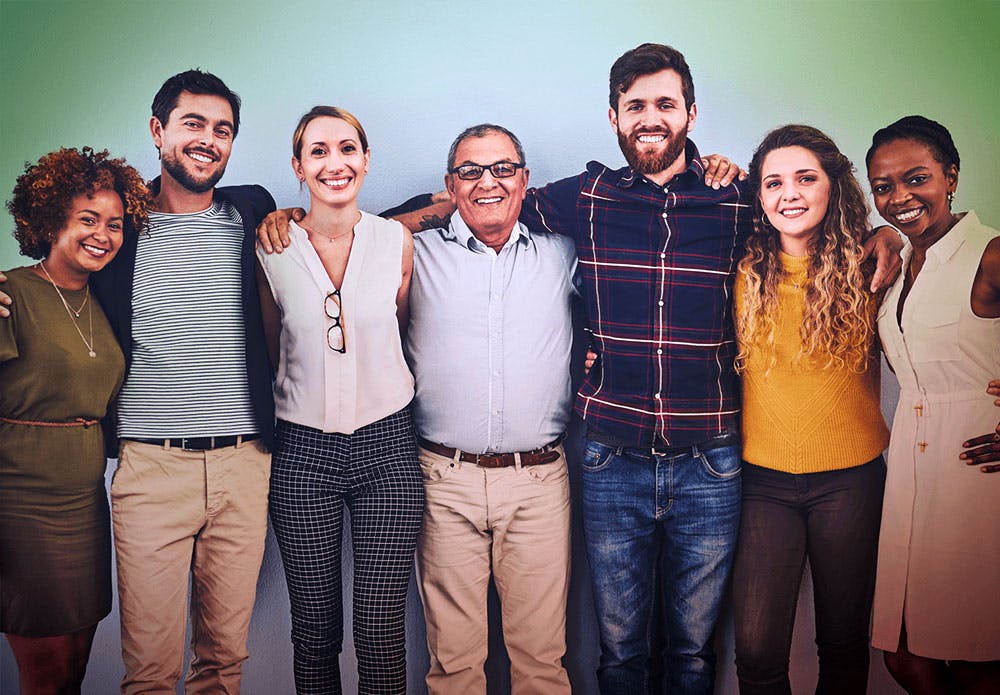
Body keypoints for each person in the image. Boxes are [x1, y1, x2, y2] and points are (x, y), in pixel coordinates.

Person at [93, 70, 276, 694]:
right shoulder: (115, 231)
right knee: (150, 671)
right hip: (151, 470)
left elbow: (342, 229)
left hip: (244, 467)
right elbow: (54, 272)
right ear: (158, 131)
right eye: (192, 124)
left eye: (222, 130)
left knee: (224, 664)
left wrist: (443, 208)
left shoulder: (253, 211)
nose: (208, 140)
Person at [255, 106, 423, 695]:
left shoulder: (396, 241)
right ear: (298, 167)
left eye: (347, 149)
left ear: (366, 159)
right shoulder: (271, 249)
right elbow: (274, 348)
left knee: (382, 629)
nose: (335, 163)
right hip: (301, 452)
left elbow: (399, 331)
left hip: (387, 448)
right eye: (319, 151)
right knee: (315, 632)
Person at [406, 124, 578, 694]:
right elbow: (336, 230)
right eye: (471, 171)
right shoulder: (412, 253)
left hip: (538, 481)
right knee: (453, 666)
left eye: (503, 169)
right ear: (449, 186)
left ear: (525, 180)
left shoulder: (563, 254)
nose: (489, 183)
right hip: (443, 480)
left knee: (541, 662)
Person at [731, 125, 888, 694]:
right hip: (761, 483)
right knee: (754, 649)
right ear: (759, 197)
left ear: (834, 187)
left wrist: (889, 235)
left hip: (851, 481)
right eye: (773, 182)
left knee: (844, 643)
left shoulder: (875, 270)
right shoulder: (740, 270)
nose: (789, 193)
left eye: (805, 178)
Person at [1, 147, 150, 693]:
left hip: (86, 505)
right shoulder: (11, 293)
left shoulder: (106, 298)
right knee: (44, 674)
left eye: (114, 224)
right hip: (20, 507)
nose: (103, 235)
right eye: (87, 219)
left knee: (75, 669)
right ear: (50, 220)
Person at [867, 116, 1000, 694]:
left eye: (915, 178)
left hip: (977, 476)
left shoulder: (990, 254)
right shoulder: (894, 271)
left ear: (950, 175)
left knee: (976, 659)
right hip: (909, 477)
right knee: (904, 654)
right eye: (883, 186)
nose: (899, 197)